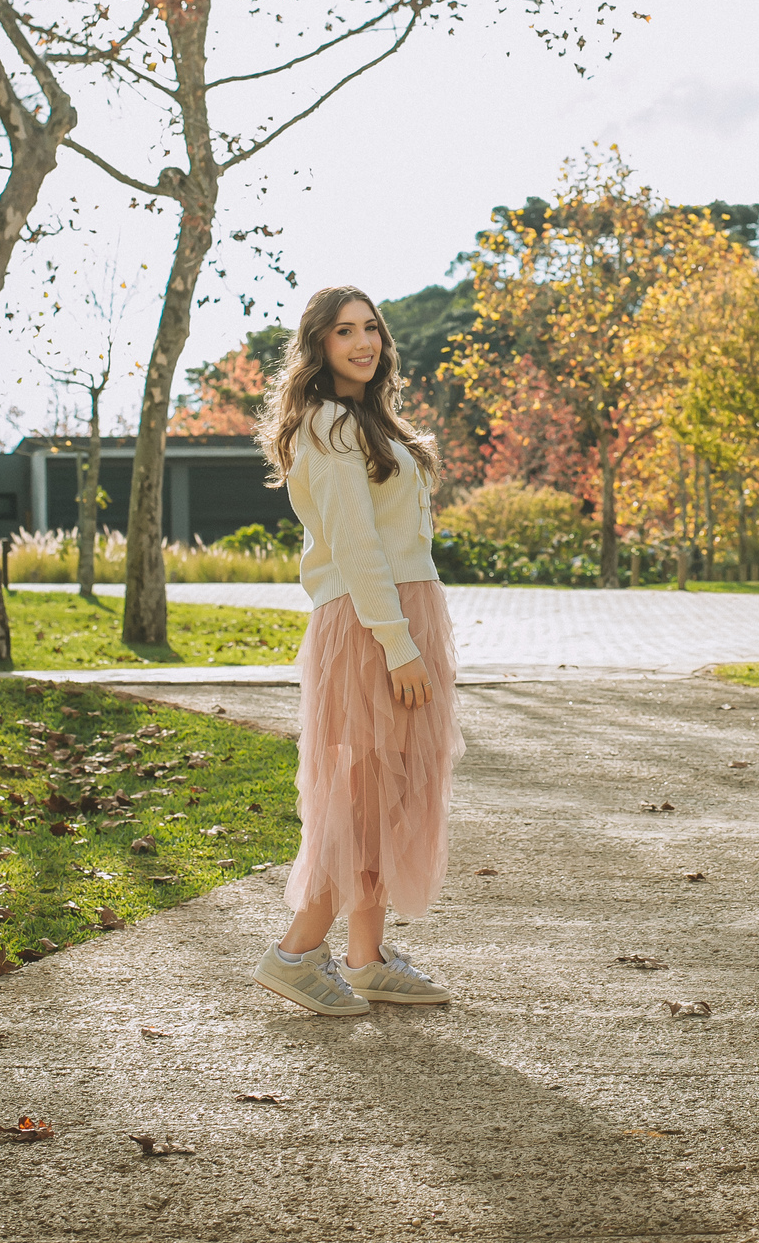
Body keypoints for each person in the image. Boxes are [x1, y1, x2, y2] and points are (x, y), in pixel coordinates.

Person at [253, 284, 465, 1015]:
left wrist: (411, 632)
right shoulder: (330, 423)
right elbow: (355, 545)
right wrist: (398, 643)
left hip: (402, 612)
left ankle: (367, 955)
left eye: (370, 328)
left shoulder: (367, 421)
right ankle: (295, 953)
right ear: (319, 346)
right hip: (375, 621)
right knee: (363, 793)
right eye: (344, 332)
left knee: (392, 785)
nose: (363, 342)